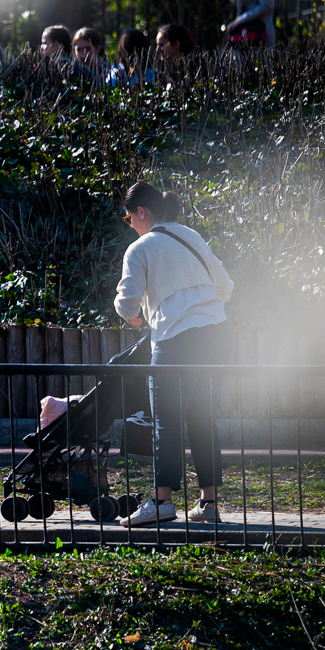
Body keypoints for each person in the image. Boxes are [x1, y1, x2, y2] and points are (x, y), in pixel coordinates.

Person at [113, 181, 235, 527]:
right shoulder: (191, 237)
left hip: (175, 338)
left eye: (128, 217)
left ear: (141, 212)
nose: (130, 224)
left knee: (166, 419)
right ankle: (209, 505)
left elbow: (126, 301)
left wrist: (132, 314)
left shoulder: (141, 248)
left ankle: (161, 501)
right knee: (203, 418)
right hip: (216, 335)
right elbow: (226, 287)